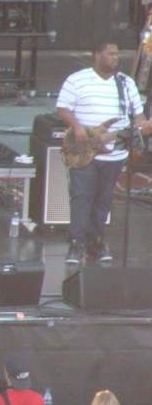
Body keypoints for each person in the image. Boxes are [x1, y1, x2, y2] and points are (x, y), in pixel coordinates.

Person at [56, 37, 149, 264]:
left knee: (103, 200)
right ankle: (76, 244)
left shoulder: (126, 83)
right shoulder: (77, 80)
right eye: (111, 54)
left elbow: (139, 118)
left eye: (117, 54)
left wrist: (145, 126)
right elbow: (62, 108)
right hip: (84, 151)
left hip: (114, 153)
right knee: (81, 197)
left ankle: (96, 242)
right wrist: (77, 127)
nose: (115, 58)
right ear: (97, 55)